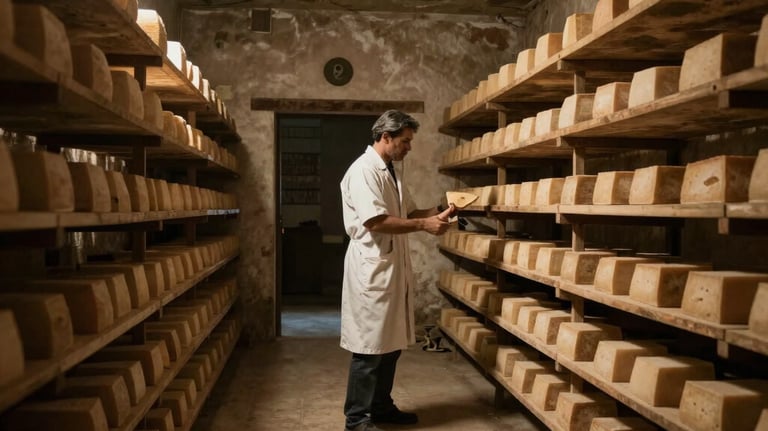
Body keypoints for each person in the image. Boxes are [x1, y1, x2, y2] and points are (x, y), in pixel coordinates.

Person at [339, 110, 456, 431]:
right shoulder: (364, 171)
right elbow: (376, 221)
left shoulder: (391, 170)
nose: (409, 147)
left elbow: (409, 211)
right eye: (405, 141)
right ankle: (357, 419)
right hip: (371, 270)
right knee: (368, 349)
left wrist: (442, 209)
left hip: (391, 269)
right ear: (385, 137)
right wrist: (424, 225)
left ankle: (381, 407)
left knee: (389, 346)